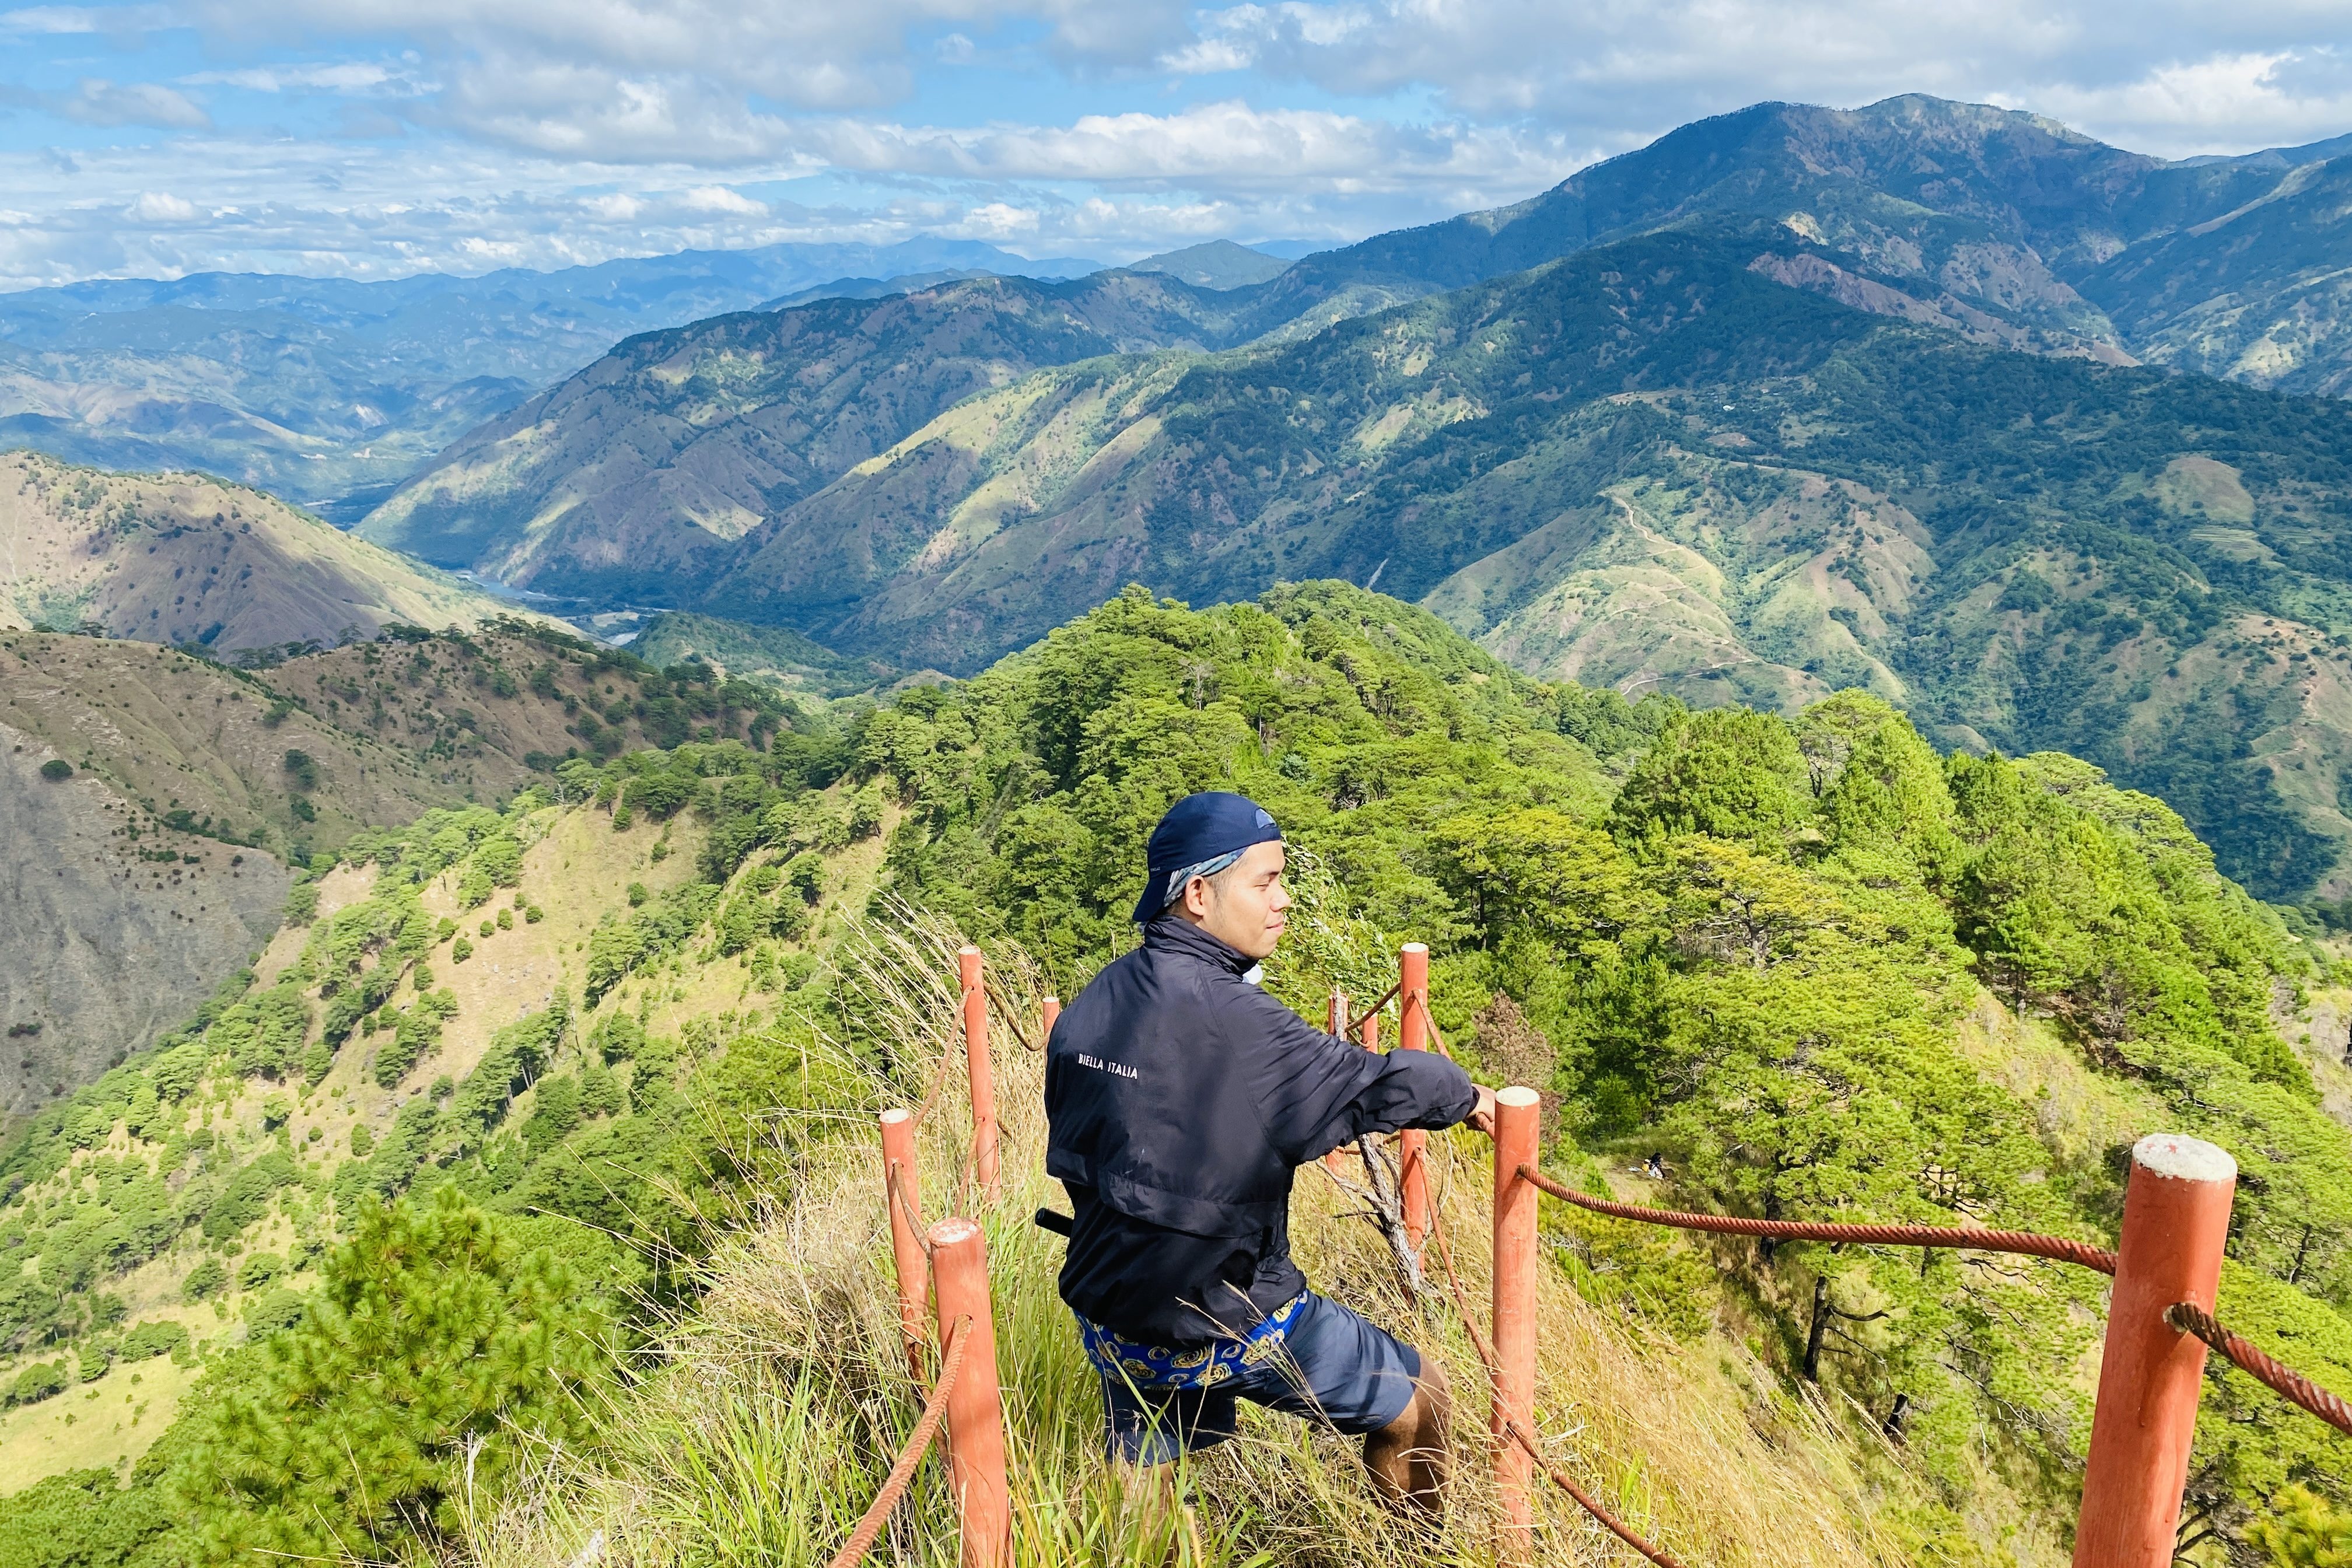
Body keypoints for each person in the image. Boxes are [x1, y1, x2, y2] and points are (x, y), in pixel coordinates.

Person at [1044, 791, 1497, 1514]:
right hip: (1225, 1318)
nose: (1283, 901)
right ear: (1199, 893)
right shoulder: (1242, 1023)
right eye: (1266, 882)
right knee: (1421, 1399)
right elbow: (1381, 1084)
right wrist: (1470, 1096)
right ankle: (1412, 1548)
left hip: (1113, 1309)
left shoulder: (1090, 1006)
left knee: (1151, 1485)